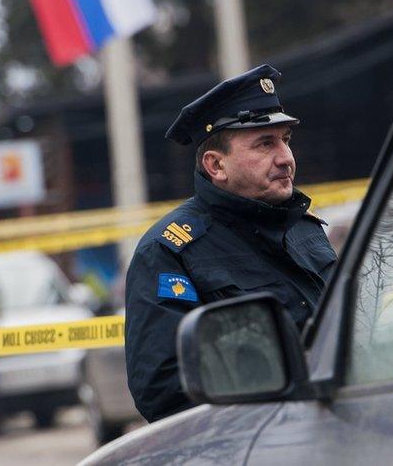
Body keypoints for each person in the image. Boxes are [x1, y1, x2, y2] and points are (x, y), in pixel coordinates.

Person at [124, 64, 338, 423]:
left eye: (285, 139)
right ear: (216, 166)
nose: (285, 157)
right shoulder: (168, 252)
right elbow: (163, 392)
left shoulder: (305, 229)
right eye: (264, 143)